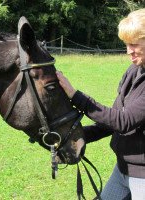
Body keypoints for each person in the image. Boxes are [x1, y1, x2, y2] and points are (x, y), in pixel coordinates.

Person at [56, 8, 145, 200]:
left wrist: (74, 95)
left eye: (134, 44)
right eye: (126, 44)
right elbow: (112, 120)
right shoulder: (133, 71)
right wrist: (77, 137)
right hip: (122, 168)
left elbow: (124, 121)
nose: (128, 50)